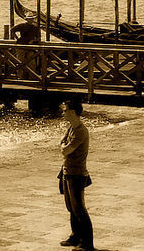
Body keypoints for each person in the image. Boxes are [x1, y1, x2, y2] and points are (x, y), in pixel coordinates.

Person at [58, 98, 94, 251]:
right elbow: (62, 144)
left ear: (73, 112)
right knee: (71, 207)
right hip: (67, 171)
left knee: (79, 208)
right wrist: (63, 146)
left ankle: (87, 243)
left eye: (65, 110)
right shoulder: (71, 128)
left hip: (77, 174)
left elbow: (65, 150)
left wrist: (63, 146)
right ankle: (75, 236)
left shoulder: (80, 131)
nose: (63, 112)